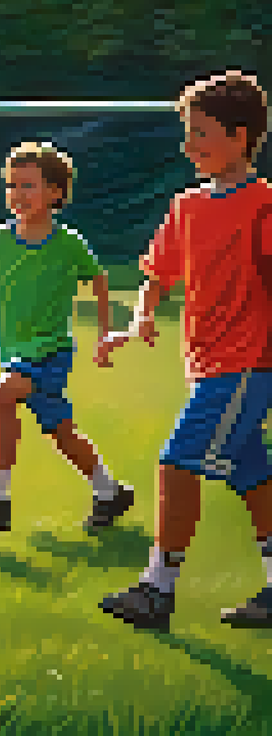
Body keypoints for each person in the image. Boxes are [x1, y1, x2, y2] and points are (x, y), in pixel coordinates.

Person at [96, 69, 272, 631]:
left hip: (246, 364)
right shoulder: (187, 207)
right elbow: (158, 273)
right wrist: (142, 313)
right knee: (252, 476)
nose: (189, 146)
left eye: (202, 134)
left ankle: (157, 588)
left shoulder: (263, 203)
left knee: (177, 463)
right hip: (205, 364)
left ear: (240, 137)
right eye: (187, 133)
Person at [0, 142, 133, 539]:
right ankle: (109, 491)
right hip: (15, 354)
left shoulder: (69, 244)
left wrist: (104, 335)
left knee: (2, 395)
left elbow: (99, 281)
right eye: (12, 186)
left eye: (28, 186)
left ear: (55, 193)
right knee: (62, 432)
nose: (17, 194)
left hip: (50, 353)